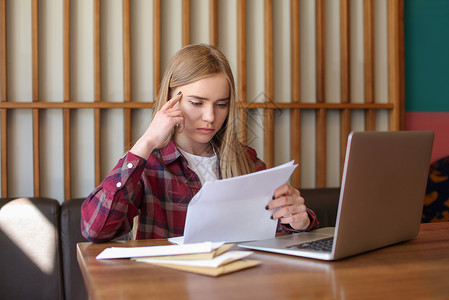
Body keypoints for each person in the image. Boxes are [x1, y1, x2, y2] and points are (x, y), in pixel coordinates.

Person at [81, 44, 319, 243]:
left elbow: (276, 232)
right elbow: (96, 229)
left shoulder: (246, 161)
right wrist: (146, 142)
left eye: (221, 104)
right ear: (170, 100)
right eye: (197, 103)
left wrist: (300, 221)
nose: (210, 117)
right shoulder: (150, 164)